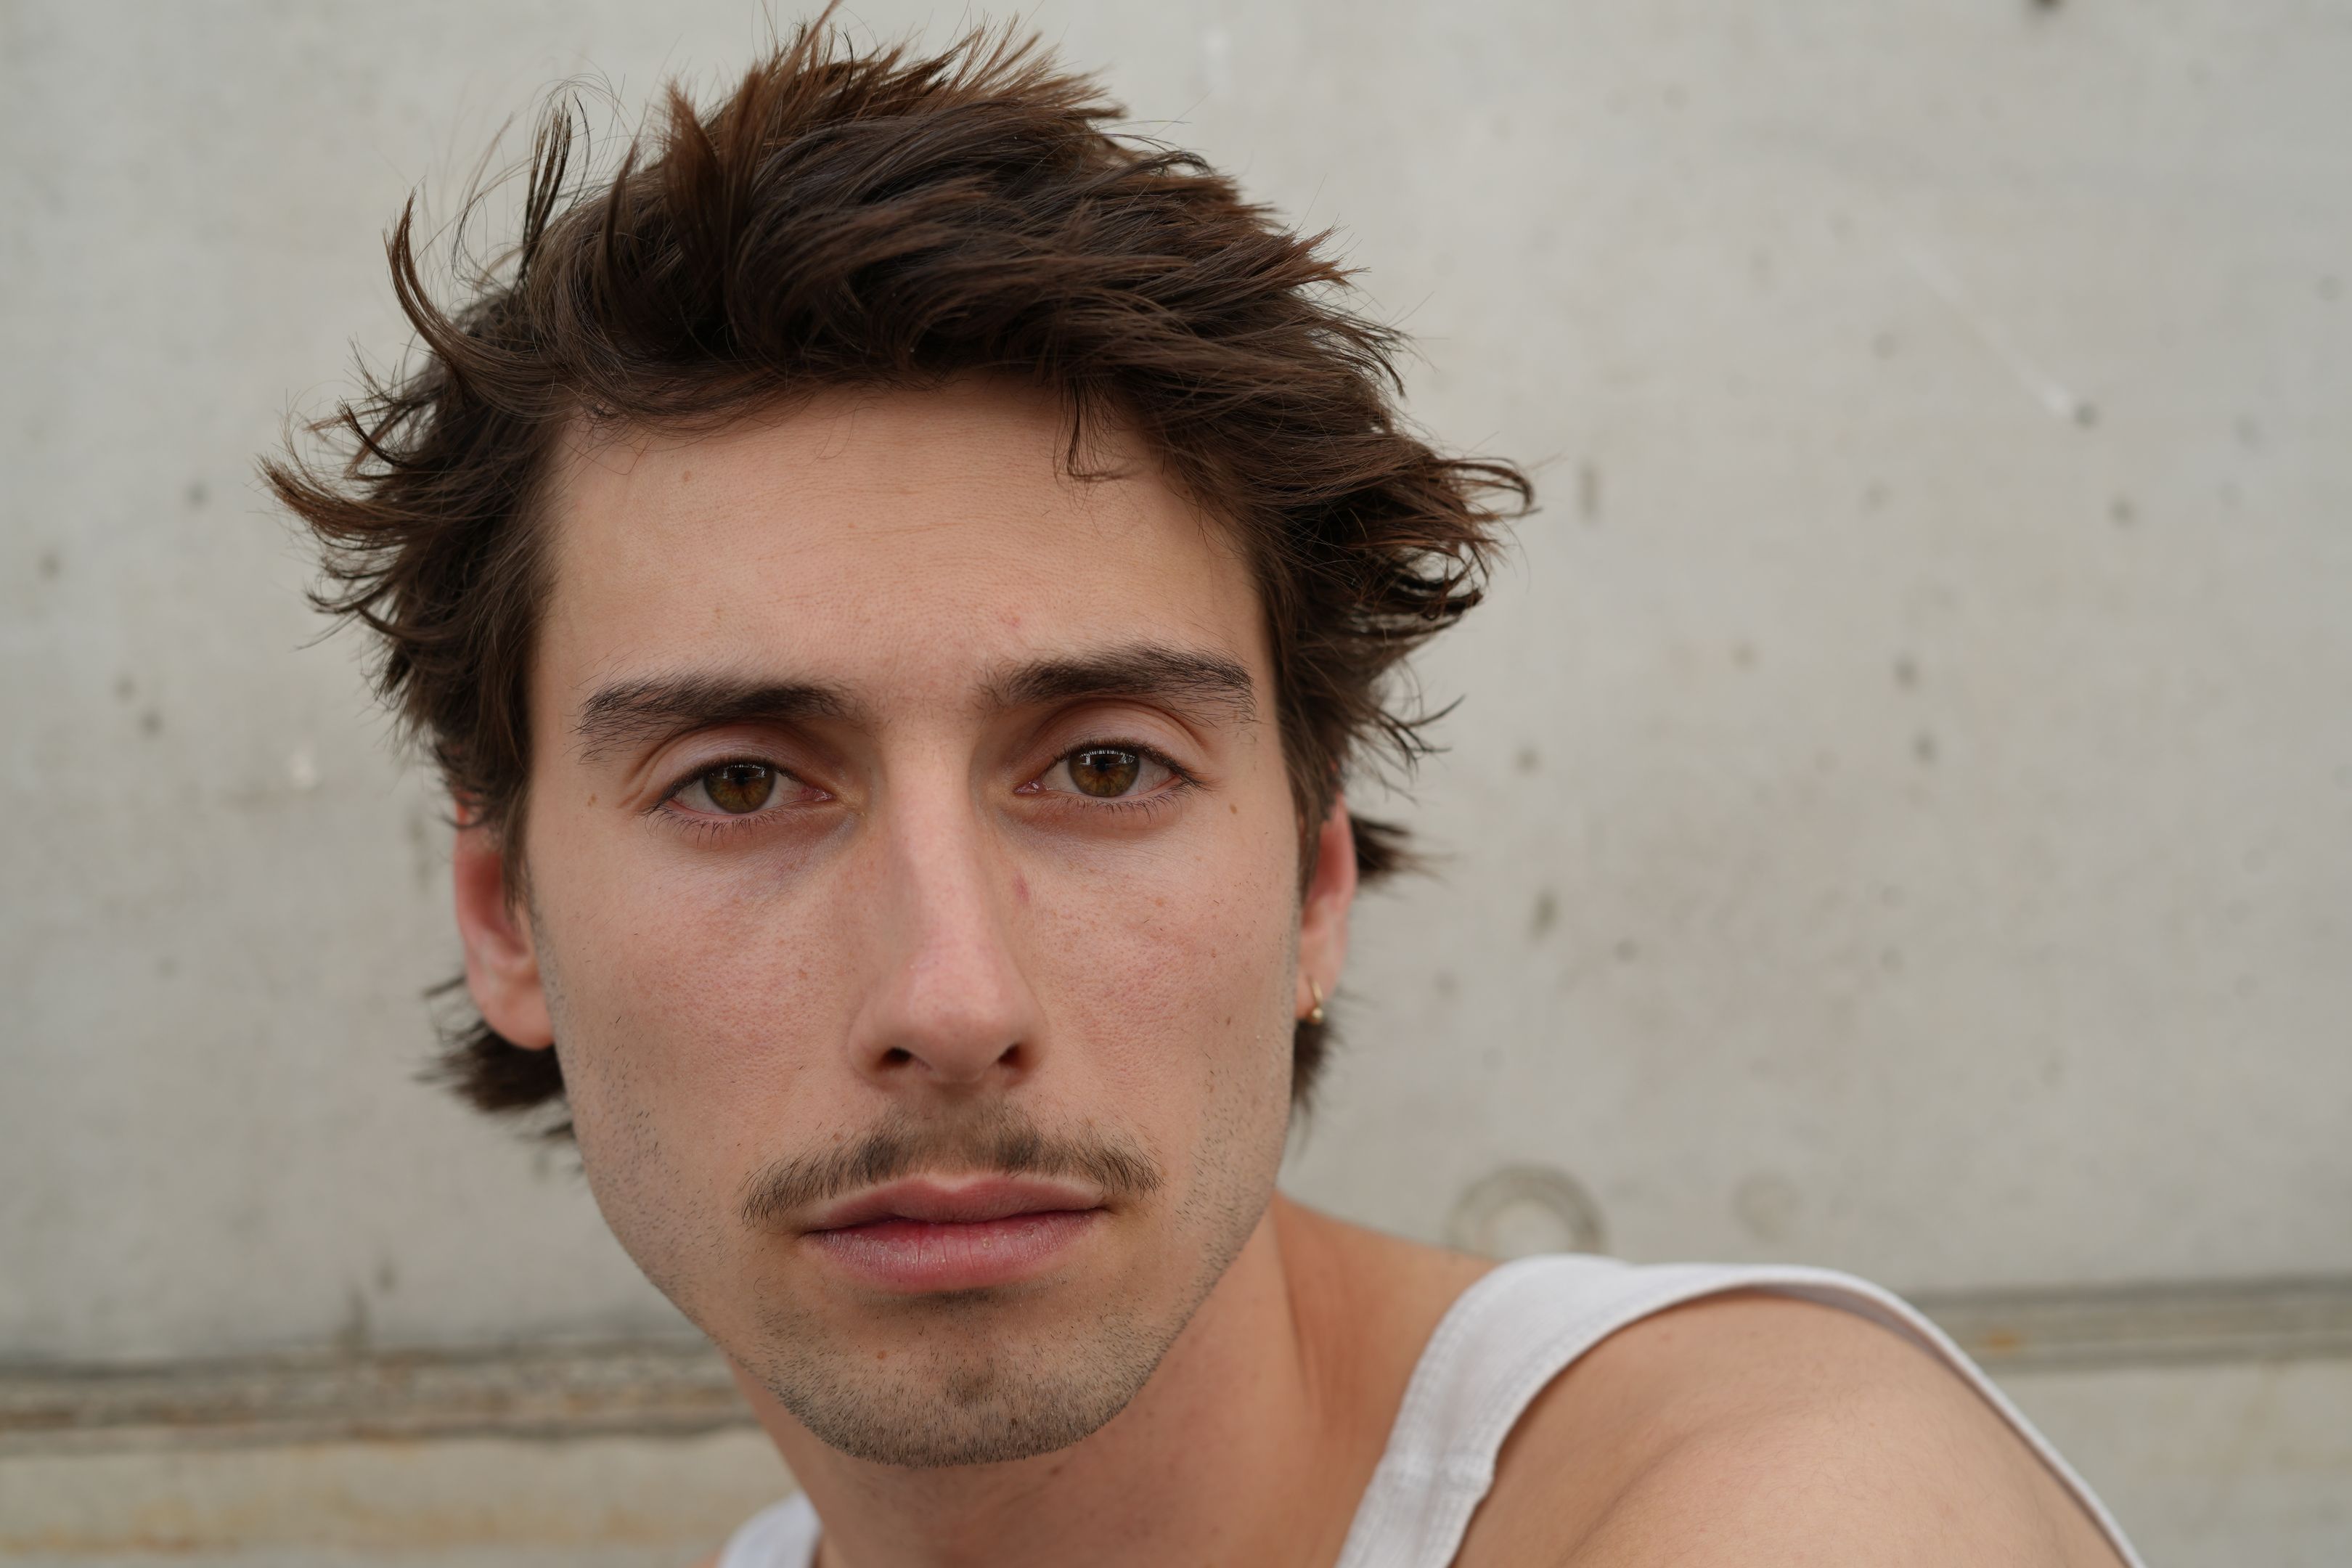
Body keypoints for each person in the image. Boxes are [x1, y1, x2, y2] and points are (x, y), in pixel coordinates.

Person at [269, 18, 2142, 1568]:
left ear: (1318, 890)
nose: (953, 1002)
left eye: (1105, 768)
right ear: (508, 919)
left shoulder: (1774, 1510)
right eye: (741, 782)